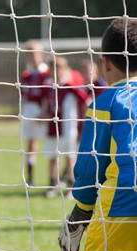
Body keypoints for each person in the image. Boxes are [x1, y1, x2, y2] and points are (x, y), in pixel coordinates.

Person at [58, 18, 137, 251]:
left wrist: (79, 213)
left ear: (105, 64)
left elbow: (91, 165)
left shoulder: (107, 102)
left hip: (124, 204)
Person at [42, 56, 91, 199]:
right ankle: (53, 184)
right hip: (52, 128)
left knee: (70, 157)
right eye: (52, 69)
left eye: (58, 69)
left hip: (68, 128)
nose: (55, 72)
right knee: (52, 156)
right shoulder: (47, 86)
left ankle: (71, 185)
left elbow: (86, 101)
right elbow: (46, 104)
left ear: (64, 70)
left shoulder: (70, 87)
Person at [20, 40, 49, 185]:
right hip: (29, 111)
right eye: (29, 54)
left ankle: (58, 177)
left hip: (46, 111)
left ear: (41, 54)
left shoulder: (48, 73)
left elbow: (50, 95)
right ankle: (30, 178)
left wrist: (45, 112)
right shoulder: (26, 75)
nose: (32, 57)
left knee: (54, 142)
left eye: (34, 53)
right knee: (30, 144)